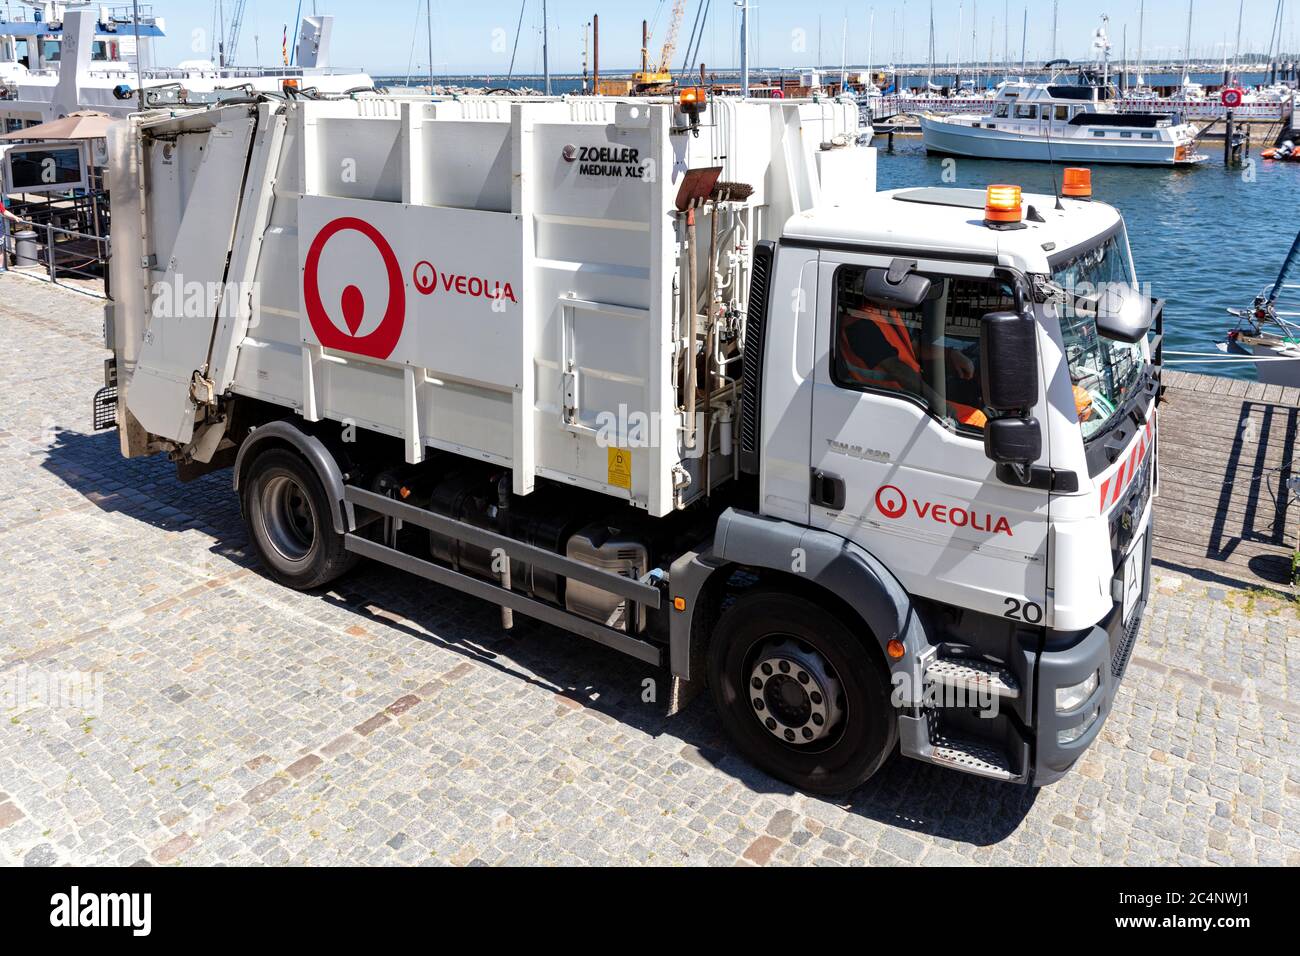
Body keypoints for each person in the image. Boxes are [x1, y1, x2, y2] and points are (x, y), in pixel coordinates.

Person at [838, 301, 988, 430]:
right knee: (976, 421)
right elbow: (898, 371)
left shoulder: (888, 313)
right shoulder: (860, 323)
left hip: (909, 396)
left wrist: (950, 354)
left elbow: (914, 347)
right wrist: (940, 405)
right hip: (892, 402)